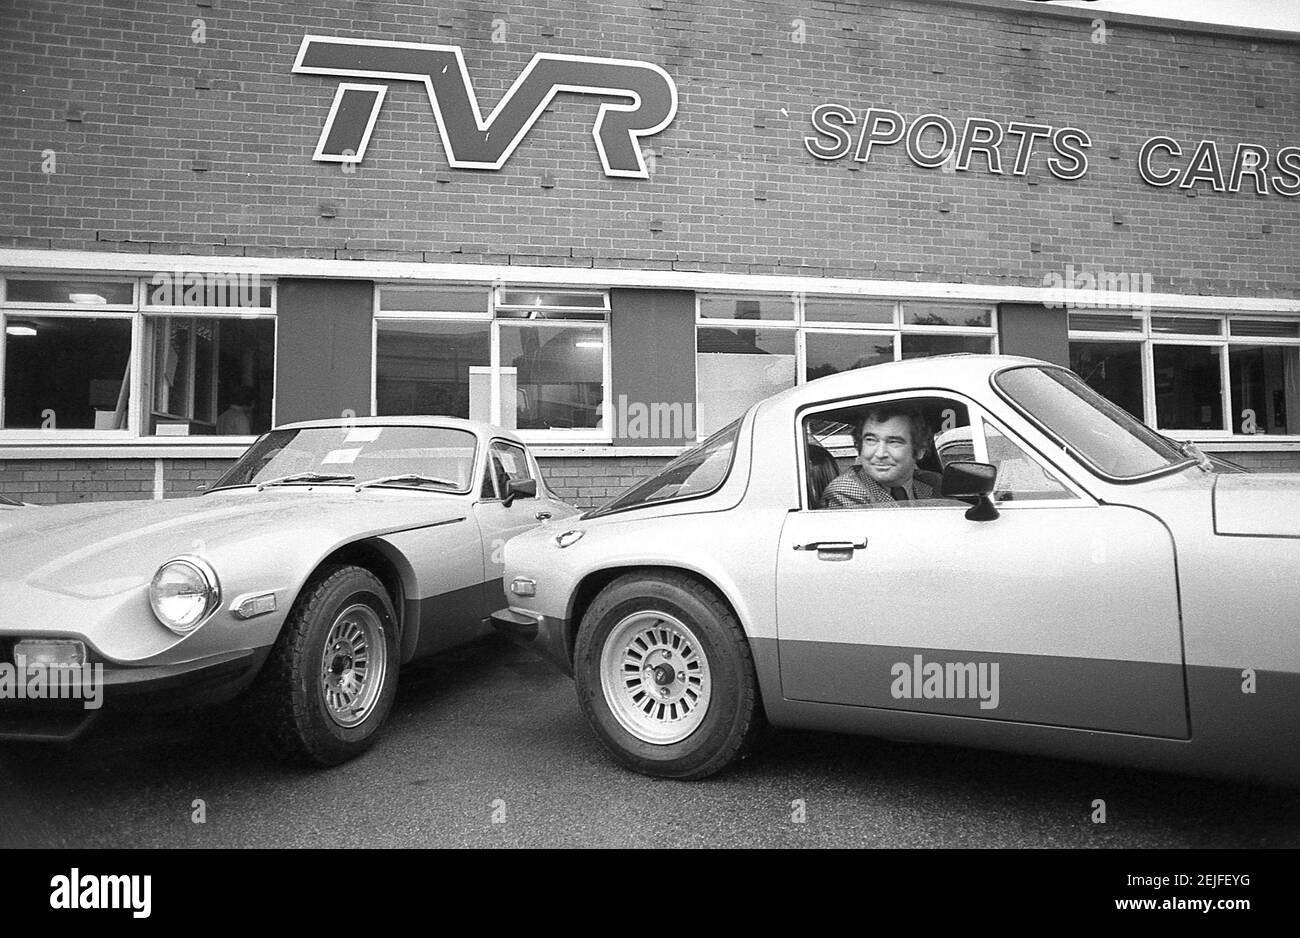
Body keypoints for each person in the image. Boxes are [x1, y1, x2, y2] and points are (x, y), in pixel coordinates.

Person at [821, 403, 941, 508]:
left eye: (893, 442)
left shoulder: (931, 483)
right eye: (871, 440)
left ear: (920, 450)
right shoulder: (846, 492)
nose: (880, 453)